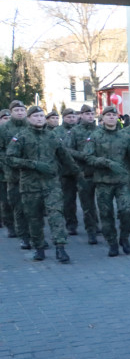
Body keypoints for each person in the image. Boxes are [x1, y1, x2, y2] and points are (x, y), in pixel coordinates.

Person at [5, 105, 77, 263]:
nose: (39, 119)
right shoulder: (21, 137)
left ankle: (60, 247)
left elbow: (65, 157)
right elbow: (10, 159)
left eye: (41, 116)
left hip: (51, 184)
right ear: (29, 118)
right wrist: (34, 164)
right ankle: (38, 248)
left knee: (56, 214)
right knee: (34, 218)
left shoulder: (52, 136)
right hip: (30, 186)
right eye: (35, 116)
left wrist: (78, 172)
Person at [82, 106, 130, 257]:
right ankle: (112, 242)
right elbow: (87, 157)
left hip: (122, 181)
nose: (111, 117)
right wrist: (106, 163)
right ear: (103, 118)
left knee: (127, 210)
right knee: (106, 214)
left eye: (114, 115)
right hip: (103, 182)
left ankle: (124, 238)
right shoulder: (95, 136)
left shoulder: (125, 137)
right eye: (108, 115)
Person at [67, 105, 101, 245]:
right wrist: (83, 156)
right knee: (87, 205)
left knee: (103, 204)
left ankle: (100, 225)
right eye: (87, 113)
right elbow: (68, 149)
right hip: (84, 172)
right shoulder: (75, 131)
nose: (90, 116)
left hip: (100, 171)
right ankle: (91, 231)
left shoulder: (99, 131)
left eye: (92, 113)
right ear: (81, 115)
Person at [1, 101, 30, 247]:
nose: (20, 112)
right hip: (12, 173)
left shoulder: (31, 126)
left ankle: (36, 236)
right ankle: (22, 235)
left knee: (33, 207)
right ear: (11, 112)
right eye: (16, 110)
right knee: (17, 205)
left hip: (32, 174)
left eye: (22, 110)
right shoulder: (4, 129)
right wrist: (8, 162)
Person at [54, 108, 81, 236]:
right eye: (69, 117)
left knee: (88, 200)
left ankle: (92, 224)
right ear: (63, 118)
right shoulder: (56, 132)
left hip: (82, 170)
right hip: (66, 172)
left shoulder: (80, 130)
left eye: (73, 117)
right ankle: (71, 223)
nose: (72, 119)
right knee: (68, 200)